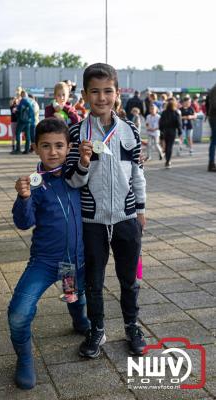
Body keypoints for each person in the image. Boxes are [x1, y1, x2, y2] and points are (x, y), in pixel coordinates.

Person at [66, 63, 147, 358]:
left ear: (117, 93)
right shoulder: (76, 132)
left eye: (108, 91)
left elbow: (138, 173)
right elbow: (72, 181)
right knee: (94, 282)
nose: (102, 97)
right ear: (85, 95)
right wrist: (84, 162)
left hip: (126, 218)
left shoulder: (131, 131)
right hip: (92, 221)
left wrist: (140, 209)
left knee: (129, 279)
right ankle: (97, 329)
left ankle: (131, 326)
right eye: (95, 91)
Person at [8, 118, 90, 390]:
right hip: (43, 263)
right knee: (18, 314)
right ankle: (25, 359)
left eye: (59, 146)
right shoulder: (34, 184)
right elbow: (23, 222)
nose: (53, 152)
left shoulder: (77, 176)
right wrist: (23, 198)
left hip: (72, 264)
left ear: (69, 148)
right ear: (35, 148)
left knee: (74, 296)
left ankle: (79, 321)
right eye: (46, 146)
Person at [159, 98, 182, 168]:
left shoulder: (163, 112)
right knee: (170, 146)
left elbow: (161, 123)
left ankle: (167, 159)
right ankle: (168, 161)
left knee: (166, 146)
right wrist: (180, 132)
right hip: (172, 131)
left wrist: (161, 130)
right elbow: (178, 123)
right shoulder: (176, 113)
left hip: (165, 131)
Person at [13, 90, 34, 154]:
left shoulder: (22, 101)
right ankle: (27, 150)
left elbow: (19, 110)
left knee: (17, 133)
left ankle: (18, 149)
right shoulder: (31, 101)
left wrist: (15, 110)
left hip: (22, 120)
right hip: (29, 121)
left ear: (22, 95)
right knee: (27, 135)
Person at [206, 85, 216, 171]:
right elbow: (214, 104)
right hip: (214, 117)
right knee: (214, 141)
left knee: (214, 140)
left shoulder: (213, 88)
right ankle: (211, 164)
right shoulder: (214, 89)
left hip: (212, 117)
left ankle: (212, 163)